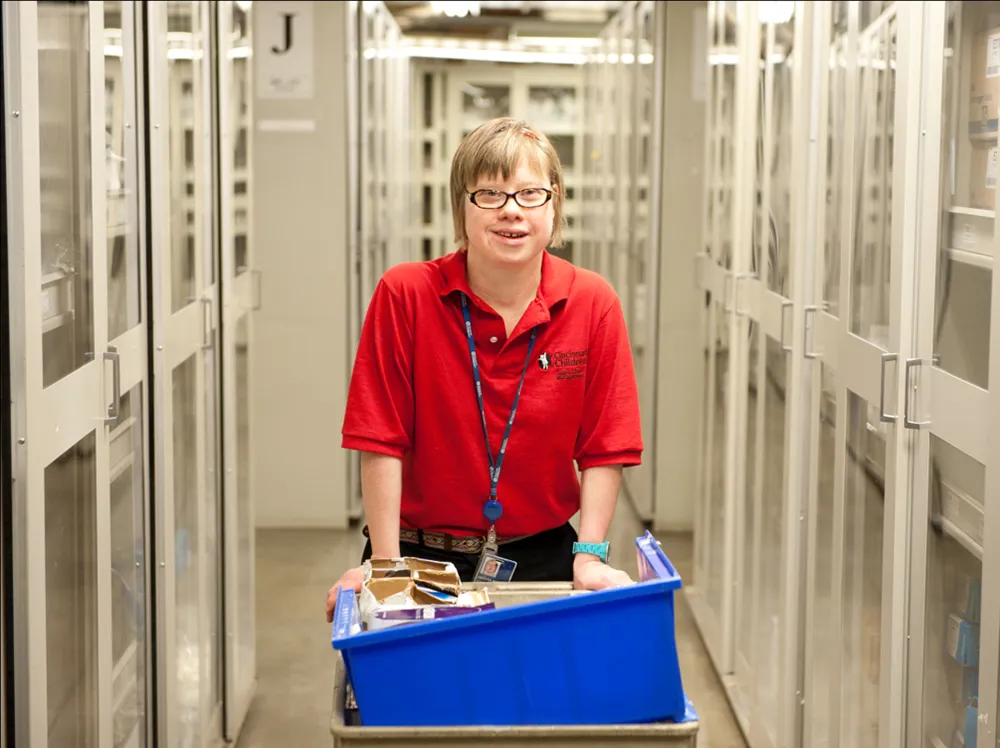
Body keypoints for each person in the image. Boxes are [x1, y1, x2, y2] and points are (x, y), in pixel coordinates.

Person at [325, 117, 642, 623]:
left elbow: (606, 445)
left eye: (529, 193)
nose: (511, 211)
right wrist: (385, 566)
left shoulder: (591, 302)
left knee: (536, 698)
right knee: (424, 698)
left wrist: (591, 555)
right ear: (462, 207)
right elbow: (379, 437)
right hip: (416, 557)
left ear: (554, 202)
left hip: (543, 557)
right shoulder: (406, 295)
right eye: (489, 194)